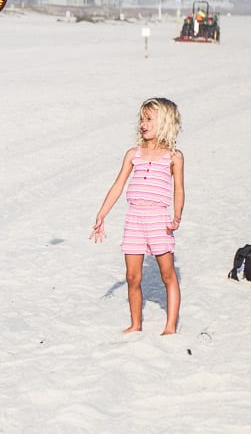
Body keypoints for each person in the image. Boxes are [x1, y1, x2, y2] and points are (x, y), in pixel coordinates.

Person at [89, 98, 184, 335]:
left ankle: (170, 326)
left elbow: (179, 189)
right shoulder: (133, 154)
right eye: (142, 119)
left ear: (165, 123)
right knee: (132, 276)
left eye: (149, 119)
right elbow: (118, 185)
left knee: (167, 274)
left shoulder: (174, 157)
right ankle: (136, 324)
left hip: (158, 220)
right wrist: (102, 215)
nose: (143, 124)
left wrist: (177, 216)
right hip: (134, 219)